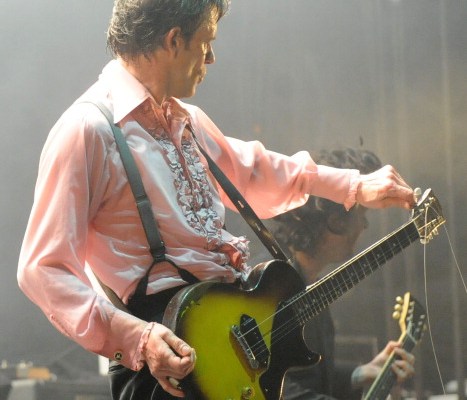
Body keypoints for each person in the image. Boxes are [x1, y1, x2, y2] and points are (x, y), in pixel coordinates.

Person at [17, 1, 415, 399]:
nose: (211, 57)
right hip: (165, 369)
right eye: (206, 41)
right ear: (174, 40)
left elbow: (254, 170)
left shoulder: (187, 120)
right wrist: (138, 338)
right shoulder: (88, 130)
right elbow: (42, 269)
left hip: (228, 349)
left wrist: (354, 186)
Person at [270, 148, 416, 400]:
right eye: (362, 215)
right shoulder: (267, 285)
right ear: (336, 220)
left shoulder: (315, 287)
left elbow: (308, 376)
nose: (365, 225)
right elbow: (274, 389)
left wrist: (361, 372)